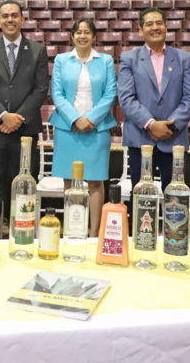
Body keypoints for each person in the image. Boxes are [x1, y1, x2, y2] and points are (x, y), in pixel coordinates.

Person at [0, 0, 49, 221]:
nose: (10, 19)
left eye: (14, 15)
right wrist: (3, 116)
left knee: (24, 183)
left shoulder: (37, 50)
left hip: (25, 129)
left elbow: (41, 88)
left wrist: (18, 118)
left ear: (22, 20)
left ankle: (22, 234)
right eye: (5, 16)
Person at [118, 7, 190, 195]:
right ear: (140, 30)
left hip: (174, 139)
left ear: (166, 27)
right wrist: (151, 124)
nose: (154, 27)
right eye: (149, 24)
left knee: (175, 198)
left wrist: (169, 127)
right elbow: (126, 98)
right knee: (141, 199)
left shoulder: (182, 58)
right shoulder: (129, 59)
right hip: (140, 139)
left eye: (159, 23)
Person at [50, 18, 117, 237]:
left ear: (94, 36)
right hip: (68, 129)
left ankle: (94, 233)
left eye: (87, 32)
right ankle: (73, 229)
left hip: (97, 129)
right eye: (78, 32)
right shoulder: (61, 60)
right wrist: (75, 119)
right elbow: (57, 94)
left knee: (96, 181)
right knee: (69, 181)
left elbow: (110, 94)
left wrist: (91, 120)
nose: (82, 36)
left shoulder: (105, 61)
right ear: (72, 36)